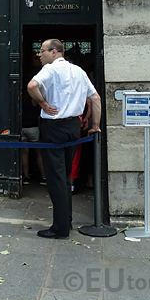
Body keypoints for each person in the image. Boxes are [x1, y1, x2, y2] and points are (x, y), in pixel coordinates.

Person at [27, 39, 101, 239]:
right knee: (65, 175)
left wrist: (42, 103)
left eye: (41, 51)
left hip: (54, 126)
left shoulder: (50, 69)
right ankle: (65, 222)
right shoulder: (79, 71)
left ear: (54, 51)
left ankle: (60, 228)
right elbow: (95, 98)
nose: (39, 55)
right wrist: (94, 126)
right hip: (73, 128)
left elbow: (32, 85)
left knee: (56, 178)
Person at [21, 50, 45, 185]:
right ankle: (43, 177)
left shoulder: (19, 96)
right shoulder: (33, 96)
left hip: (22, 125)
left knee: (24, 153)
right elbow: (38, 105)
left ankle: (25, 176)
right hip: (34, 127)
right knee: (39, 153)